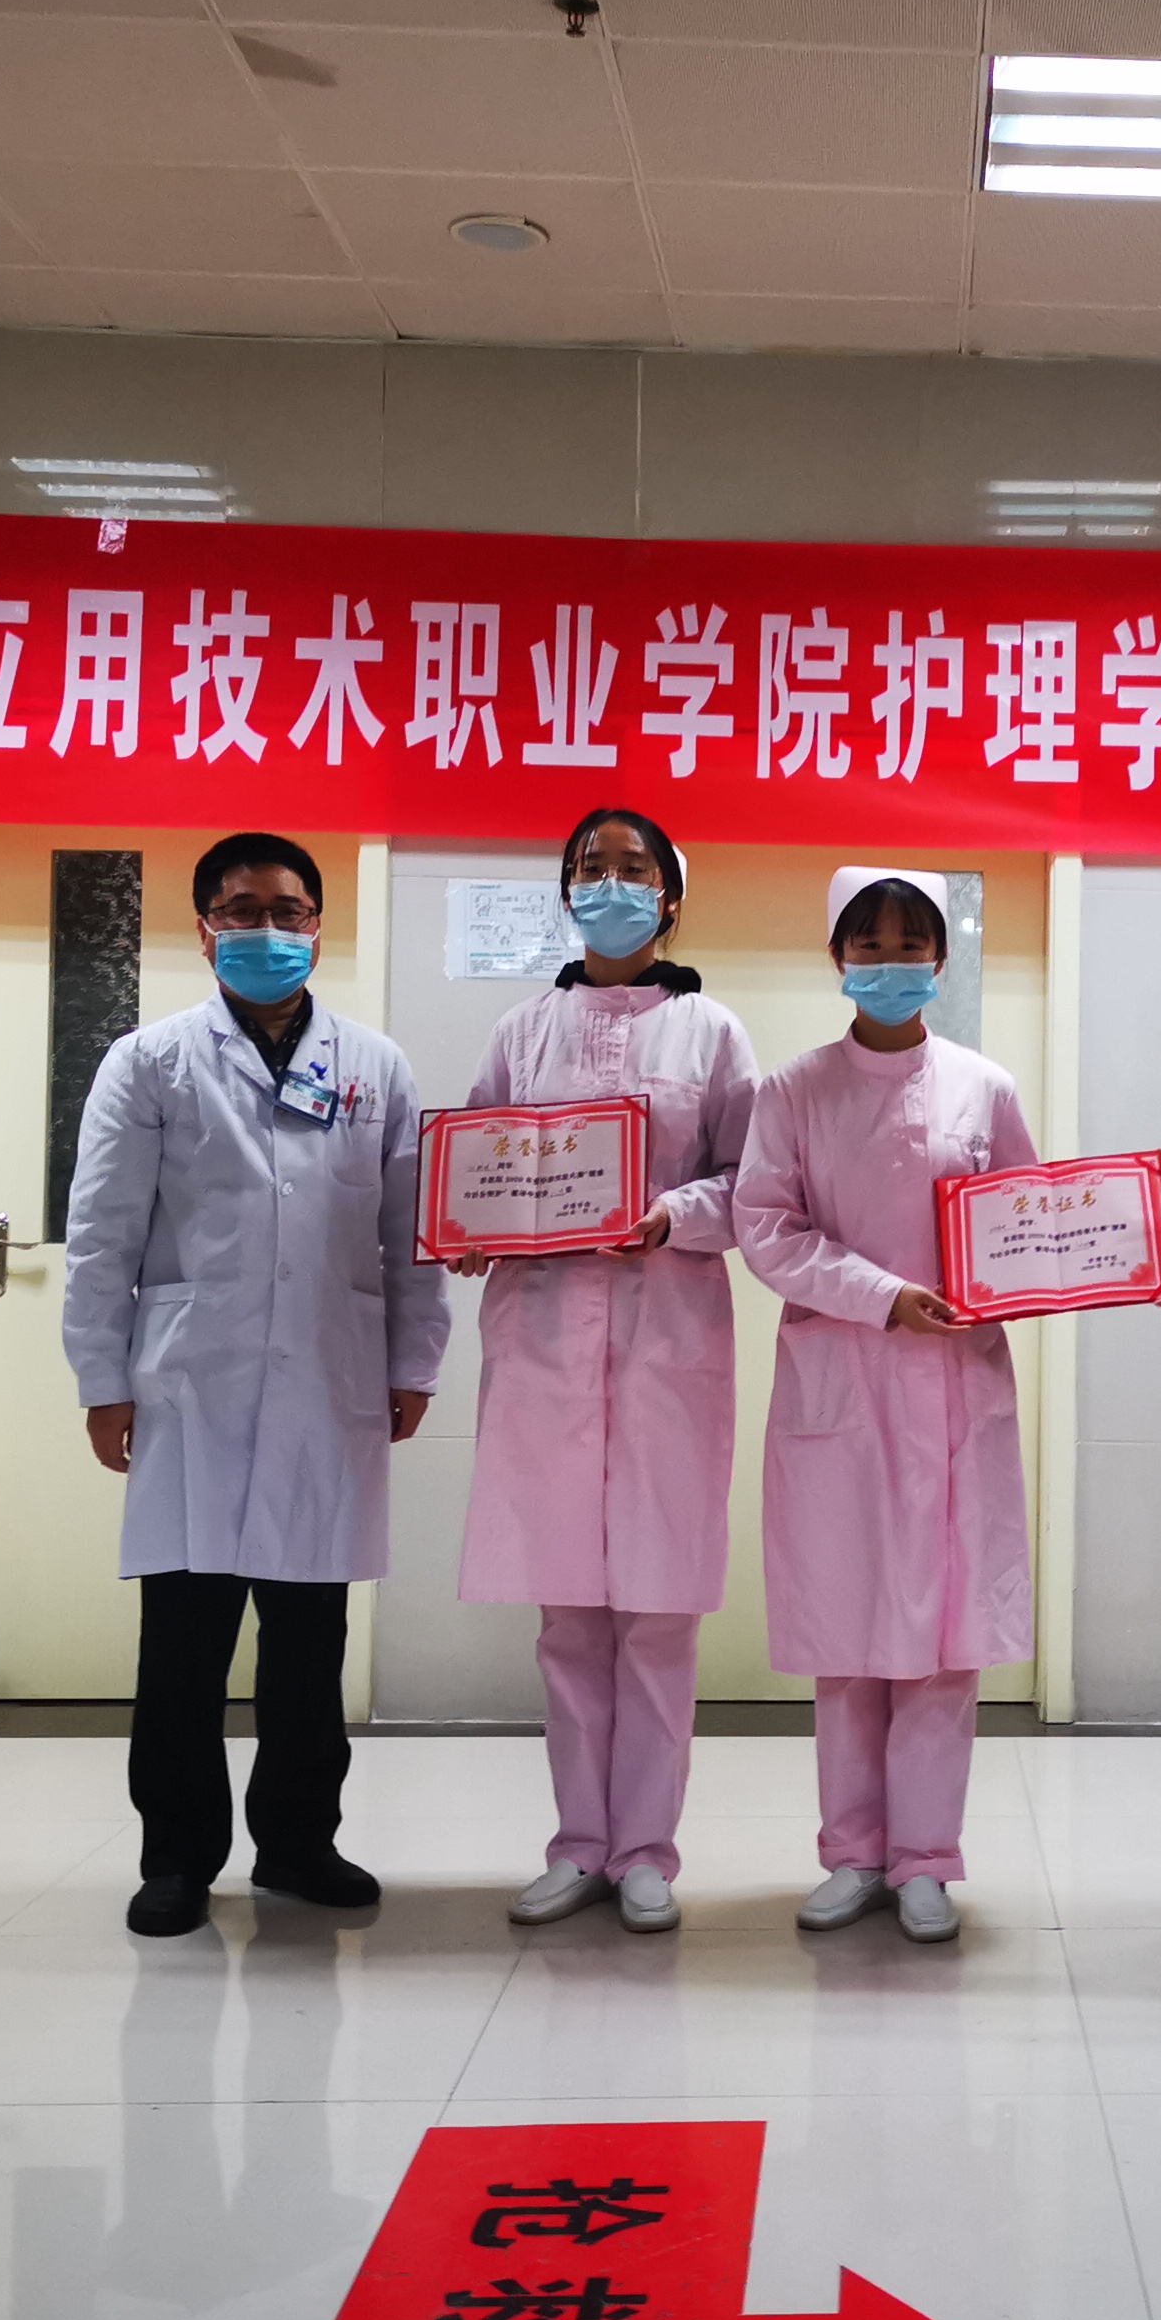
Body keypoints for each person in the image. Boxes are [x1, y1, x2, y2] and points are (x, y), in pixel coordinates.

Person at [63, 831, 448, 1939]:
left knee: (309, 1639)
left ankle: (298, 1842)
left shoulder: (374, 1066)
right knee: (183, 1643)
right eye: (242, 911)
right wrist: (101, 1377)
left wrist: (414, 1360)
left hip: (330, 1379)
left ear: (319, 928)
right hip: (193, 1381)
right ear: (205, 930)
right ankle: (178, 1857)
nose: (267, 930)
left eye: (288, 911)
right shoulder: (150, 1062)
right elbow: (102, 1234)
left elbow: (410, 1233)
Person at [449, 808, 756, 1936]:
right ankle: (580, 1842)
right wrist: (464, 1226)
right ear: (567, 891)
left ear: (670, 896)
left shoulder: (713, 1033)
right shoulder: (522, 1031)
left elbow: (752, 1184)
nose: (611, 885)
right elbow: (474, 1161)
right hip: (544, 1349)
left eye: (634, 869)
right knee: (569, 1617)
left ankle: (647, 1852)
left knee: (659, 1614)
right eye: (592, 867)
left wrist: (672, 1215)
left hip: (669, 1348)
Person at [732, 866, 1036, 1945]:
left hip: (953, 1387)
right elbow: (767, 1227)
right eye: (870, 945)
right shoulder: (793, 1091)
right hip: (843, 1387)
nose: (892, 963)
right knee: (849, 1636)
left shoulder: (985, 1089)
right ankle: (854, 1854)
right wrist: (881, 1297)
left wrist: (1041, 1270)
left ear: (939, 961)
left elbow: (1023, 1224)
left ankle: (926, 1861)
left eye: (912, 945)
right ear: (837, 958)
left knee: (944, 1644)